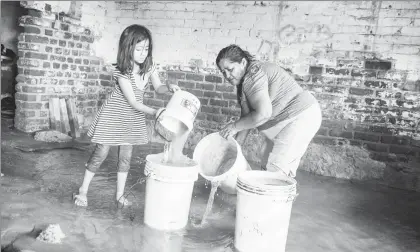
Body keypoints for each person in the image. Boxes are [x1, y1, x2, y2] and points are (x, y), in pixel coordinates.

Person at [73, 24, 180, 207]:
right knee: (101, 152)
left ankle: (120, 195)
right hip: (113, 115)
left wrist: (168, 87)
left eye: (146, 49)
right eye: (138, 49)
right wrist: (155, 112)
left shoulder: (150, 67)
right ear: (127, 48)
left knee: (125, 157)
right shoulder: (121, 71)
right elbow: (134, 102)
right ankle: (83, 190)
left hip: (132, 118)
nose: (142, 53)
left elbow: (158, 87)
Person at [216, 44, 322, 178]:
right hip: (286, 123)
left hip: (299, 117)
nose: (227, 75)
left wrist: (233, 127)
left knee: (276, 169)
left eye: (230, 69)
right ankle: (271, 196)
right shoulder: (243, 83)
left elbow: (263, 114)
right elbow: (247, 119)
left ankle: (275, 197)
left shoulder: (254, 76)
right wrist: (234, 149)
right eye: (223, 72)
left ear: (243, 62)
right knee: (267, 166)